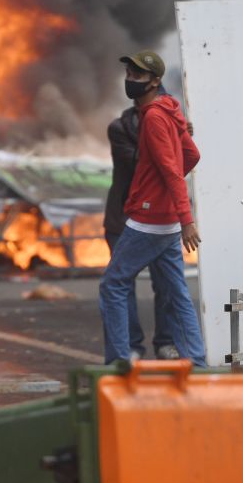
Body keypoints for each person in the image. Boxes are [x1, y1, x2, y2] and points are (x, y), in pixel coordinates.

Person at [99, 50, 206, 368]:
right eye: (129, 73)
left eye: (138, 75)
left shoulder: (155, 118)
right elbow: (192, 155)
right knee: (177, 292)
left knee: (113, 284)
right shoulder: (170, 112)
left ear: (155, 81)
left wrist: (186, 218)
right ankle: (196, 361)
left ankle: (120, 360)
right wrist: (176, 211)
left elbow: (172, 171)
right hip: (167, 220)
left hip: (149, 219)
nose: (131, 80)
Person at [104, 93, 178, 361]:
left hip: (160, 220)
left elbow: (188, 160)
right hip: (122, 219)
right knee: (120, 285)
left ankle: (166, 342)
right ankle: (130, 347)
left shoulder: (171, 130)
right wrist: (173, 140)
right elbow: (142, 162)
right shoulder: (119, 128)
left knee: (168, 285)